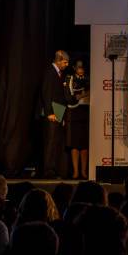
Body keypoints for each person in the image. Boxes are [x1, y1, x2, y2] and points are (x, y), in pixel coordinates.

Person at [38, 50, 75, 178]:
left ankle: (55, 169)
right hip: (52, 111)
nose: (66, 65)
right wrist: (49, 113)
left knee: (56, 142)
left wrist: (62, 115)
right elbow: (46, 93)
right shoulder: (50, 72)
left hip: (59, 110)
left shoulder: (60, 74)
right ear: (58, 60)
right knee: (50, 142)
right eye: (65, 62)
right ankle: (48, 171)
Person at [65, 60, 90, 179]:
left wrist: (83, 94)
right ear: (74, 68)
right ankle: (75, 172)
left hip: (86, 113)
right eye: (79, 67)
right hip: (74, 113)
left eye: (82, 67)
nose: (81, 69)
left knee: (84, 144)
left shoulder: (89, 78)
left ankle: (84, 171)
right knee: (74, 144)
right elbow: (69, 97)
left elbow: (91, 93)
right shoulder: (69, 79)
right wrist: (81, 95)